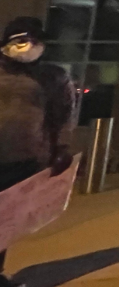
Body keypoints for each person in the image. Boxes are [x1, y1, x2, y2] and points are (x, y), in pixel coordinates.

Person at [0, 17, 77, 287]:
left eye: (34, 41)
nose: (28, 47)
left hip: (24, 157)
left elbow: (63, 115)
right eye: (20, 41)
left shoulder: (52, 77)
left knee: (4, 222)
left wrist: (61, 148)